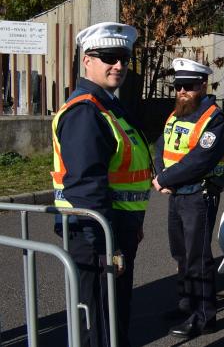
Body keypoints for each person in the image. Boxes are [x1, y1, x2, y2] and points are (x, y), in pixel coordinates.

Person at [51, 22, 152, 347]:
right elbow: (86, 192)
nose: (119, 65)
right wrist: (107, 248)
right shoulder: (86, 112)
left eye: (124, 57)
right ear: (87, 60)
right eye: (109, 56)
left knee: (114, 322)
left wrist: (131, 225)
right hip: (95, 239)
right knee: (100, 330)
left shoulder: (109, 107)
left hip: (115, 231)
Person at [153, 58, 224, 339]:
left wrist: (164, 179)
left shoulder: (215, 120)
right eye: (178, 86)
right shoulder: (176, 113)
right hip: (177, 195)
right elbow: (161, 145)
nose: (182, 91)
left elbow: (200, 160)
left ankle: (204, 316)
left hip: (199, 196)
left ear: (202, 85)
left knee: (198, 257)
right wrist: (161, 174)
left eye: (188, 86)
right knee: (180, 254)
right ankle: (186, 304)